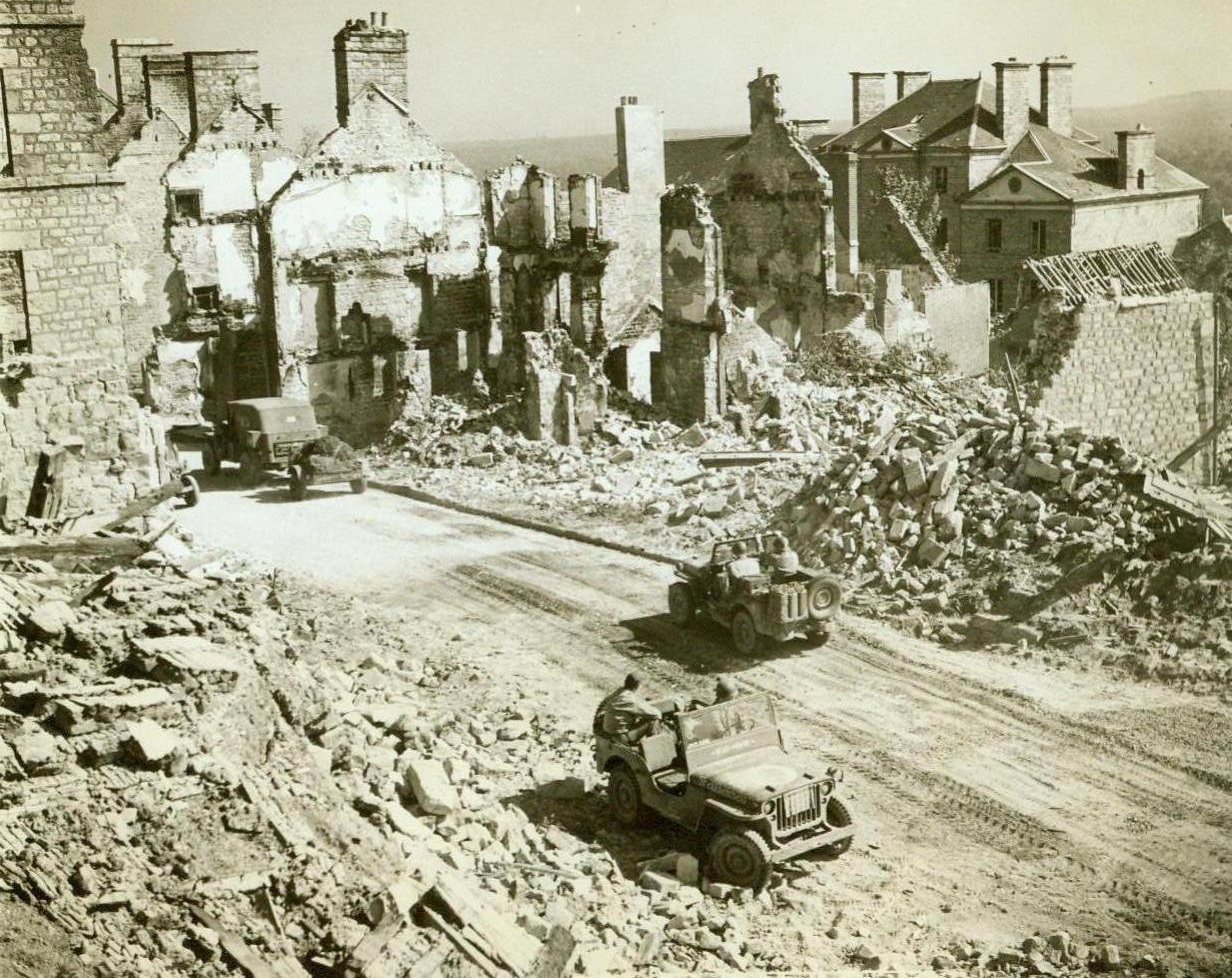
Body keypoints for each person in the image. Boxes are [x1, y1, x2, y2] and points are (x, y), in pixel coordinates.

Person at [599, 673, 662, 744]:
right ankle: (656, 746)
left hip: (610, 732)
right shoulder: (629, 699)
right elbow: (655, 714)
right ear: (637, 685)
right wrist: (657, 711)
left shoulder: (618, 693)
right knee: (653, 720)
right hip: (621, 738)